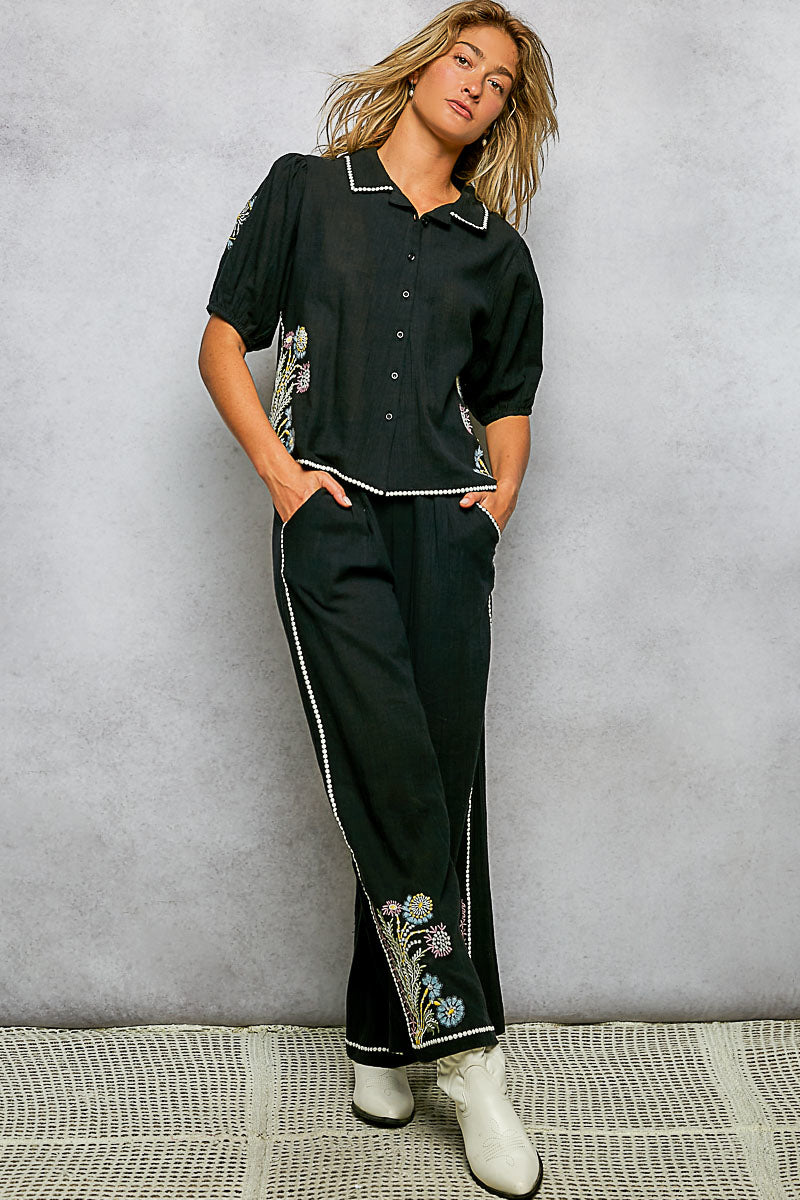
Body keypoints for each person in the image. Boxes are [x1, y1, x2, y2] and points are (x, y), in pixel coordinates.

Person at [198, 3, 557, 1195]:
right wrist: (281, 477)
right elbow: (223, 340)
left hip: (445, 536)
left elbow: (507, 398)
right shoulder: (306, 191)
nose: (476, 85)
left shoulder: (492, 250)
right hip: (332, 518)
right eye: (464, 60)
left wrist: (493, 507)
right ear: (420, 69)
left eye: (498, 82)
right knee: (390, 763)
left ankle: (378, 1047)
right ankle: (469, 1058)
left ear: (500, 115)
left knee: (434, 784)